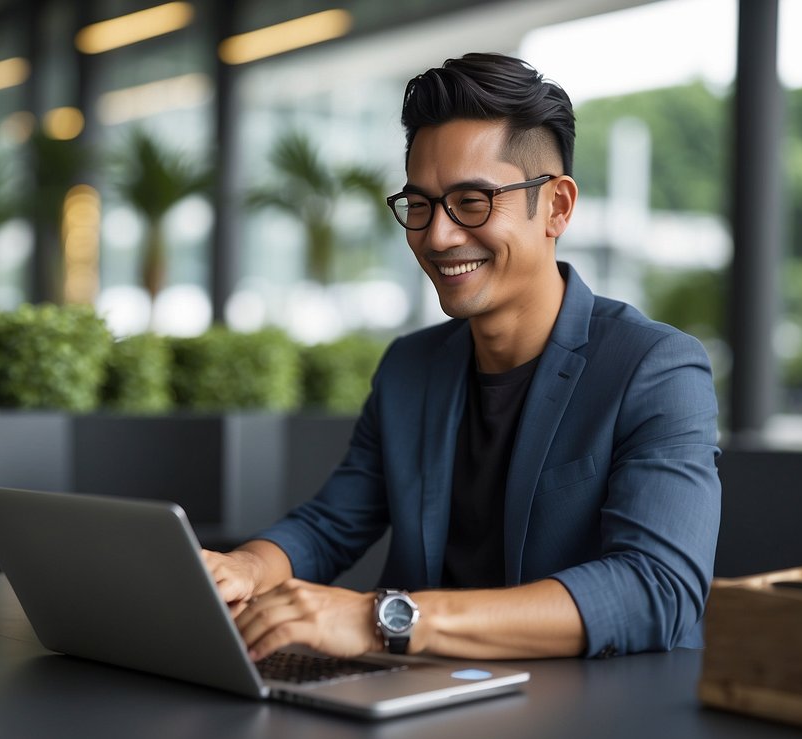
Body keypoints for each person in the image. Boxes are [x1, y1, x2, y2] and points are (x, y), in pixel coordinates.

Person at [205, 52, 720, 661]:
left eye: (473, 201)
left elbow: (656, 588)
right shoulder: (409, 368)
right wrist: (242, 569)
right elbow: (329, 525)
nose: (438, 236)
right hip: (421, 704)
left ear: (556, 207)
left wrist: (385, 619)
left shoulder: (656, 368)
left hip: (590, 721)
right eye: (419, 205)